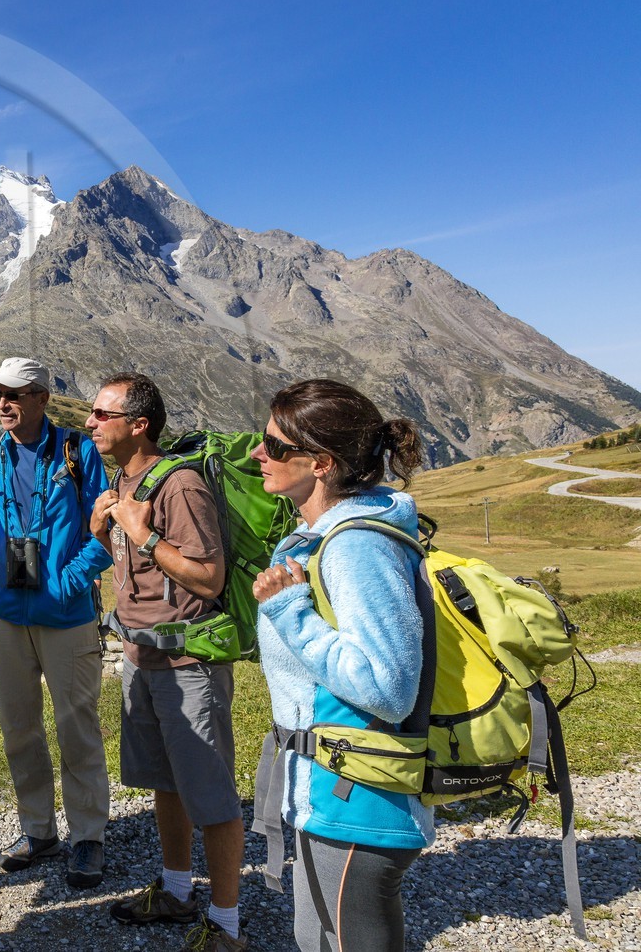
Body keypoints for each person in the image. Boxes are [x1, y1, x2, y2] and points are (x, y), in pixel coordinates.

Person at [249, 378, 429, 952]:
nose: (258, 453)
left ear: (321, 463)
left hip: (355, 796)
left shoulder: (356, 546)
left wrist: (289, 612)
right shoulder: (321, 535)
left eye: (275, 446)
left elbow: (389, 685)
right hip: (325, 787)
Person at [0, 357, 113, 888]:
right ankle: (38, 830)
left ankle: (88, 838)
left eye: (15, 394)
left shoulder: (78, 451)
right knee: (19, 729)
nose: (4, 404)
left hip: (68, 614)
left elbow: (106, 530)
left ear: (42, 398)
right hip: (6, 614)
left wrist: (69, 581)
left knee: (77, 727)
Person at [88, 372, 246, 951]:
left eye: (103, 414)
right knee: (165, 783)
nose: (90, 422)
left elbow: (208, 576)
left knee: (212, 794)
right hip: (141, 657)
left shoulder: (178, 486)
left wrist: (144, 535)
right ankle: (179, 893)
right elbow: (140, 571)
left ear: (139, 424)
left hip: (189, 665)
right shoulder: (124, 482)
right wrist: (107, 529)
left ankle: (226, 925)